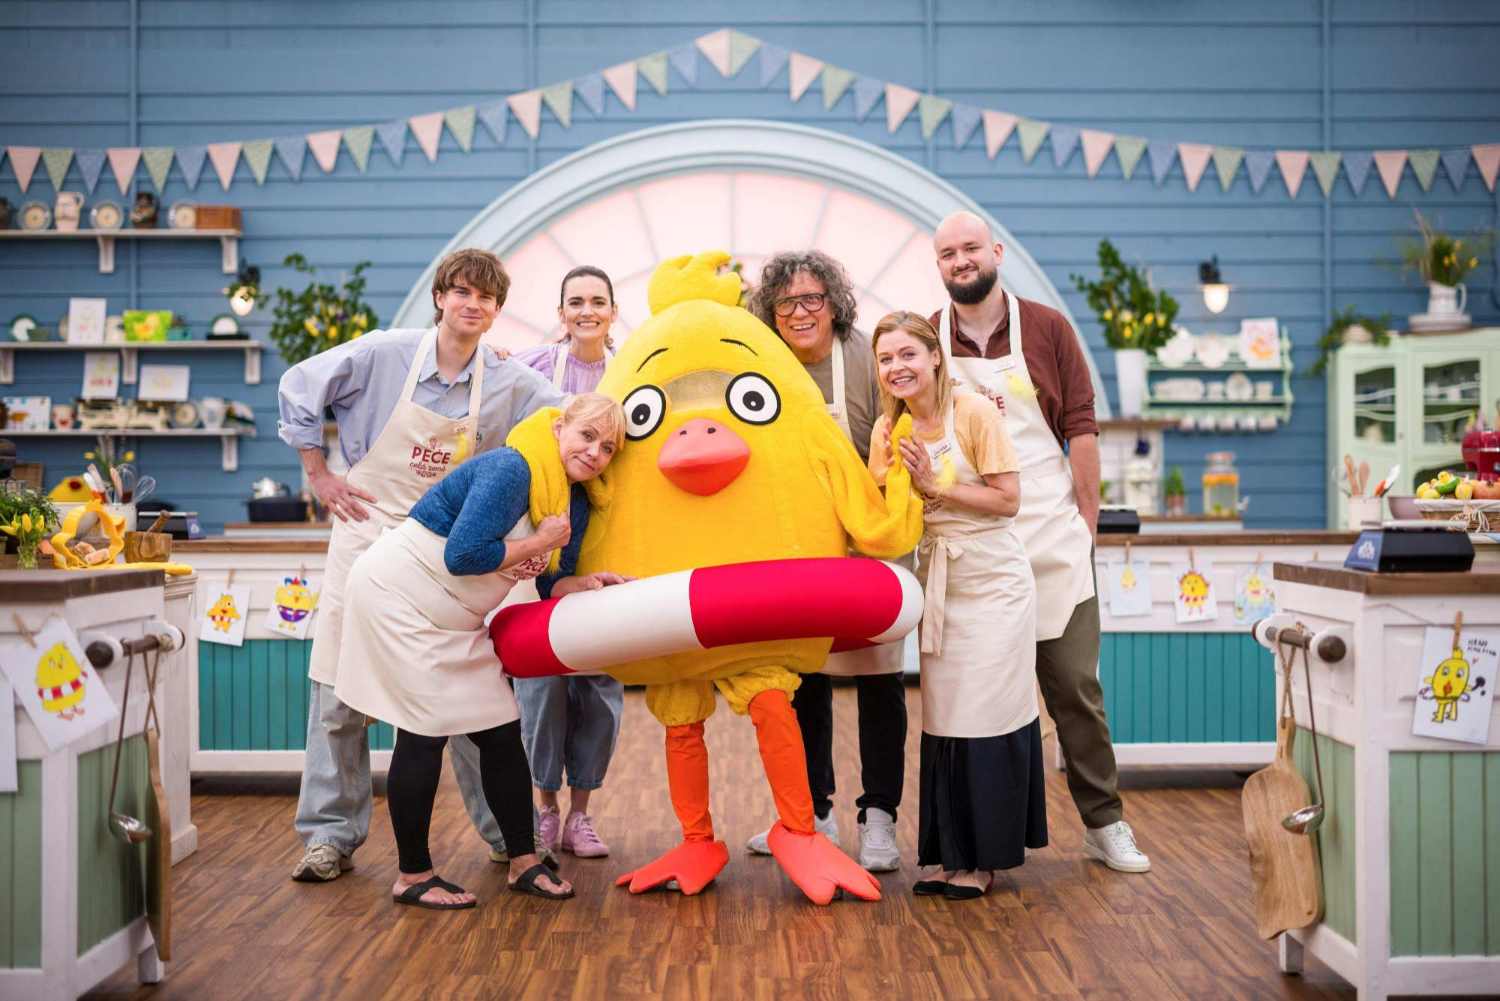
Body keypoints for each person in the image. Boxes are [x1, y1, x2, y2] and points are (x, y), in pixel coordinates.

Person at [277, 248, 562, 883]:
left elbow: (571, 419)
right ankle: (328, 836)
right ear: (440, 297)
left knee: (469, 688)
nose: (472, 304)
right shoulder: (383, 354)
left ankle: (504, 835)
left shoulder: (509, 380)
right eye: (461, 292)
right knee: (337, 689)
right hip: (367, 526)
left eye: (485, 297)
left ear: (496, 310)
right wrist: (319, 475)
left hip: (445, 550)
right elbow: (299, 385)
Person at [334, 393, 626, 907]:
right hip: (399, 596)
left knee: (501, 730)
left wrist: (582, 583)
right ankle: (413, 875)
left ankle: (523, 863)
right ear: (558, 428)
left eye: (607, 448)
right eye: (587, 436)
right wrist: (540, 542)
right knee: (424, 732)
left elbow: (546, 583)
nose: (595, 453)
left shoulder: (572, 503)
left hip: (458, 619)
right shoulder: (512, 470)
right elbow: (464, 554)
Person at [930, 211, 1149, 873]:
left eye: (971, 248)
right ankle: (979, 841)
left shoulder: (1048, 328)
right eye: (948, 253)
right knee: (978, 702)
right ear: (939, 265)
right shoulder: (928, 339)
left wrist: (1086, 525)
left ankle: (1104, 821)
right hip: (972, 546)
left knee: (1076, 687)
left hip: (1049, 537)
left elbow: (1080, 429)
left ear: (996, 251)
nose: (961, 261)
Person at [867, 311, 1042, 899]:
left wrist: (935, 485)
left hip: (993, 581)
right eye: (886, 359)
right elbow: (884, 510)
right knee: (944, 719)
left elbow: (1008, 499)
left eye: (907, 354)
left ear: (935, 356)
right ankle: (948, 855)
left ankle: (984, 858)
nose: (897, 367)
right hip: (938, 580)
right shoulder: (888, 430)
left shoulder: (973, 412)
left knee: (985, 715)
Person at [742, 251, 907, 873]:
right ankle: (812, 813)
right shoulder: (763, 361)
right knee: (804, 679)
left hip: (871, 541)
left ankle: (879, 817)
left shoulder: (865, 357)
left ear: (835, 304)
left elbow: (900, 434)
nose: (800, 313)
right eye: (786, 303)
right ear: (770, 313)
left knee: (879, 680)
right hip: (798, 545)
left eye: (812, 299)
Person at [508, 266, 623, 859]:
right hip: (543, 525)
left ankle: (581, 814)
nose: (586, 311)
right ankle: (545, 809)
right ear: (560, 312)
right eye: (575, 301)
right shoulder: (532, 366)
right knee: (542, 687)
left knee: (598, 687)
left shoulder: (632, 369)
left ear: (613, 311)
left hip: (604, 530)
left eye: (597, 301)